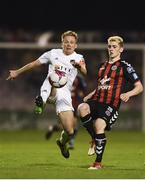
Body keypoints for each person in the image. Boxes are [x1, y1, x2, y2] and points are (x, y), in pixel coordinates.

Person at [7, 30, 87, 159]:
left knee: (70, 130)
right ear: (62, 43)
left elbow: (85, 72)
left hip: (65, 94)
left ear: (75, 45)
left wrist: (80, 67)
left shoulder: (79, 58)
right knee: (51, 82)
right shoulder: (52, 53)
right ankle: (42, 103)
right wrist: (17, 72)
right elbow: (34, 63)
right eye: (66, 42)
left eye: (71, 42)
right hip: (49, 86)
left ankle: (62, 143)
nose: (68, 44)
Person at [78, 36, 143, 169]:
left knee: (99, 125)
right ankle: (95, 139)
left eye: (114, 47)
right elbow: (101, 85)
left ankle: (97, 163)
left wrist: (128, 94)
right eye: (109, 46)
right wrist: (90, 94)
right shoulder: (102, 66)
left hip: (110, 105)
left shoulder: (125, 67)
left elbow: (140, 87)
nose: (111, 49)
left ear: (121, 49)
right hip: (97, 100)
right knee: (82, 107)